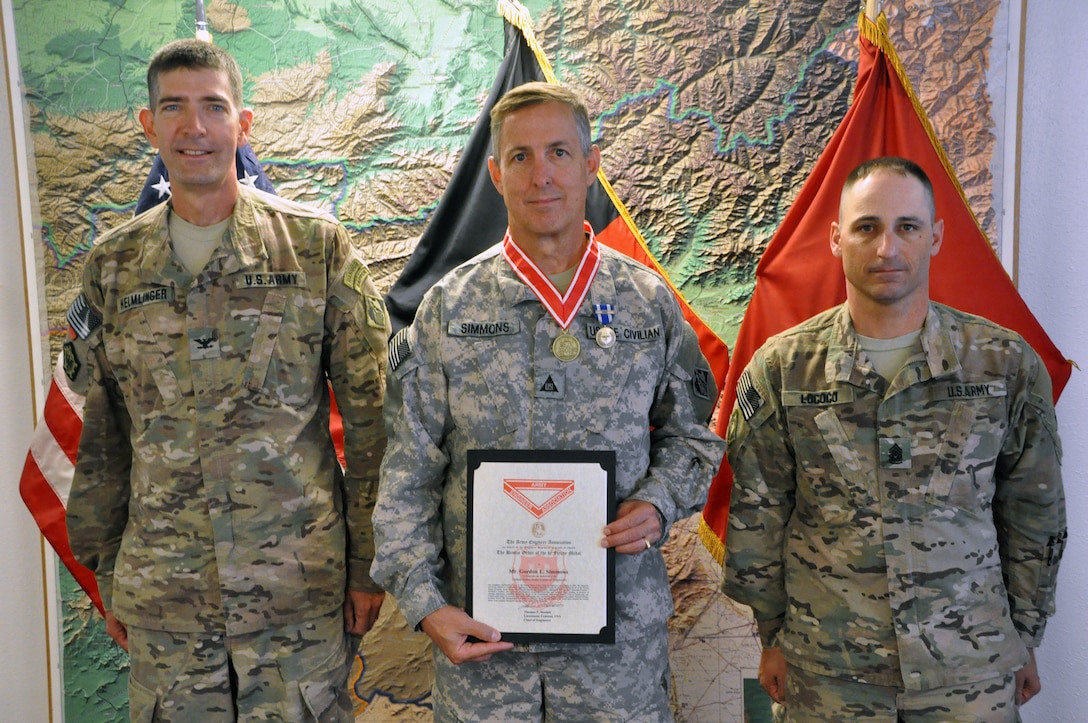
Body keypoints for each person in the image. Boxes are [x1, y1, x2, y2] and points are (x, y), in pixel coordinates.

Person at [371, 81, 726, 721]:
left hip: (617, 653)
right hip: (484, 654)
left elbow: (694, 436)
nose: (542, 176)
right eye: (521, 157)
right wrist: (426, 605)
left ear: (591, 165)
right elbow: (407, 473)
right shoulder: (449, 310)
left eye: (560, 153)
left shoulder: (647, 303)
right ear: (495, 173)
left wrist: (658, 501)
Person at [65, 38, 389, 721]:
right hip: (167, 602)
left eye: (214, 107)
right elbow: (99, 434)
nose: (195, 128)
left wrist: (368, 564)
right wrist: (111, 572)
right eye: (174, 108)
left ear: (244, 125)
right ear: (148, 125)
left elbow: (369, 422)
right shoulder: (113, 267)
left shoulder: (316, 248)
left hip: (296, 595)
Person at [722, 156, 1066, 722]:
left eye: (906, 226)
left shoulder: (1002, 365)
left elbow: (1035, 509)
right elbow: (759, 513)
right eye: (867, 227)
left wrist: (1023, 635)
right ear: (836, 238)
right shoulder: (784, 369)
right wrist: (770, 635)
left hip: (969, 668)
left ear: (936, 236)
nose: (886, 248)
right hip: (827, 670)